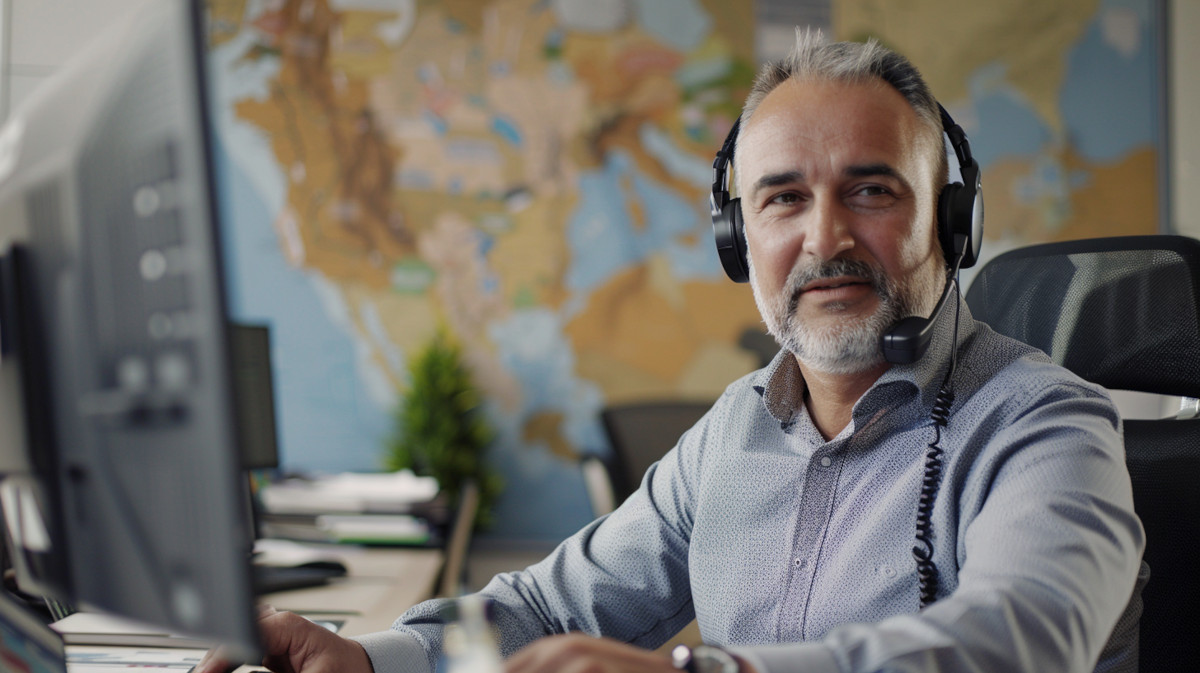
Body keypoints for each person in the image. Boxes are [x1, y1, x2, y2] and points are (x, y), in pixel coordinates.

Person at [200, 31, 1146, 673]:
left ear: (949, 221)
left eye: (871, 190)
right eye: (781, 198)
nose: (824, 237)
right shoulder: (736, 429)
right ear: (740, 242)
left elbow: (1024, 634)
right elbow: (546, 605)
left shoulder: (1048, 422)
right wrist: (369, 656)